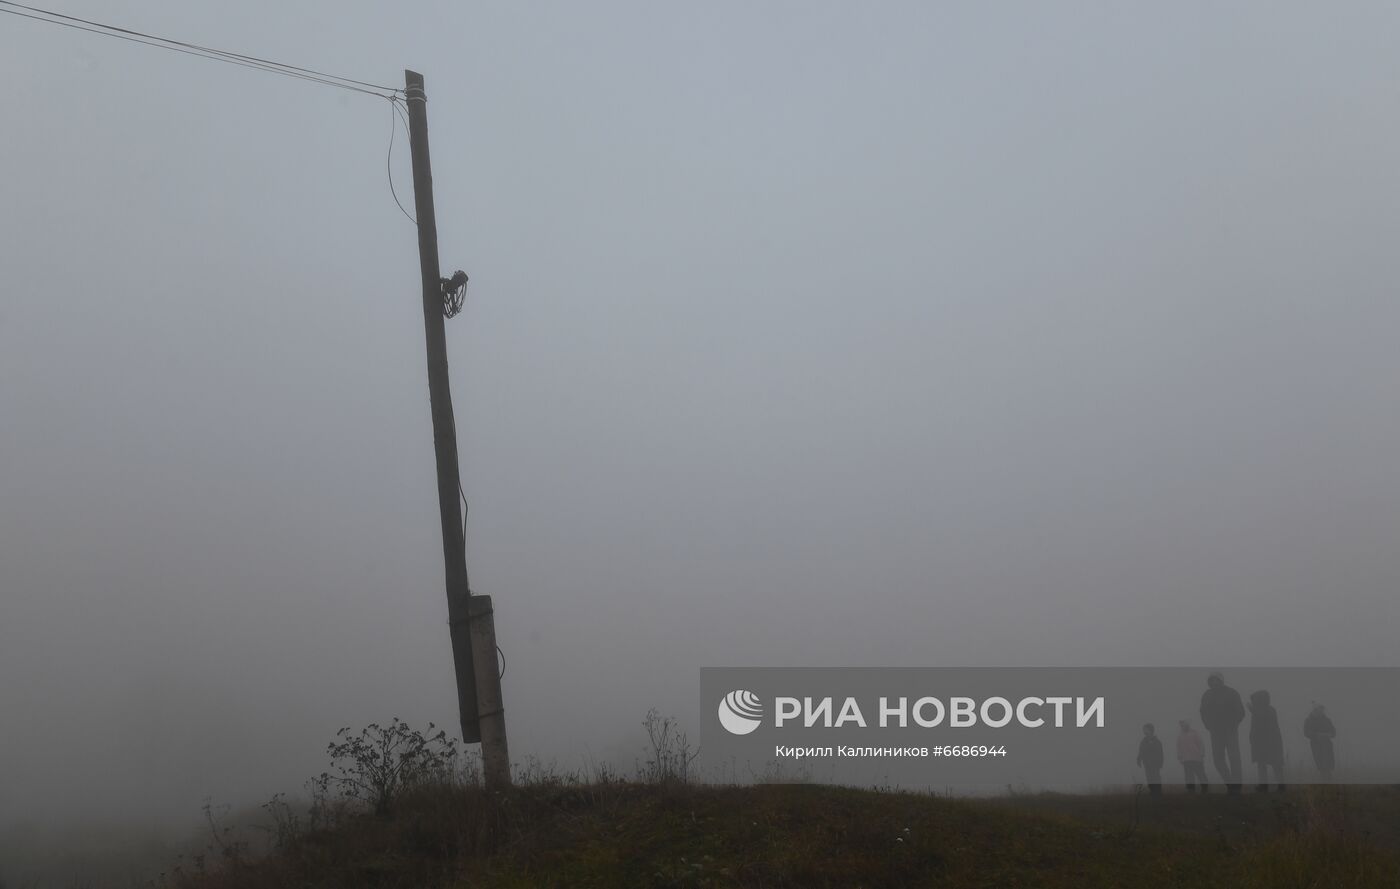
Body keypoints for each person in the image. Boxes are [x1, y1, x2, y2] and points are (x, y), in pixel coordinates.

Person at [1199, 671, 1246, 794]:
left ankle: (1237, 787)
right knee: (1218, 760)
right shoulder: (1207, 695)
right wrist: (1208, 725)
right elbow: (1203, 712)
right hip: (1215, 732)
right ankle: (1230, 784)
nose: (1214, 682)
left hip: (1230, 731)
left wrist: (1233, 724)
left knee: (1234, 758)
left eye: (1216, 680)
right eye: (1211, 680)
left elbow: (1241, 711)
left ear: (1221, 680)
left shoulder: (1232, 693)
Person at [1248, 689, 1285, 792]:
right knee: (1261, 764)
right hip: (1260, 742)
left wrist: (1253, 711)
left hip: (1271, 742)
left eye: (1255, 700)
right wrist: (1251, 737)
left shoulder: (1269, 710)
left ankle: (1281, 786)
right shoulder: (1259, 710)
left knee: (1276, 764)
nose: (1253, 702)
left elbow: (1263, 721)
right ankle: (1263, 786)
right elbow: (1255, 726)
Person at [1303, 704, 1336, 780]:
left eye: (1322, 710)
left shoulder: (1327, 720)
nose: (1321, 711)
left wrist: (1328, 735)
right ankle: (1325, 782)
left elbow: (1334, 732)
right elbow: (1306, 733)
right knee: (1321, 766)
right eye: (1319, 709)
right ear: (1315, 710)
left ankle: (1329, 782)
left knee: (1328, 766)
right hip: (1316, 746)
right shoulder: (1309, 720)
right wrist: (1317, 735)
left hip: (1327, 745)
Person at [1177, 719, 1209, 793]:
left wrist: (1202, 754)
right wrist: (1180, 756)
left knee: (1200, 773)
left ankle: (1205, 788)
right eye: (1181, 725)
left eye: (1183, 724)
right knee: (1188, 775)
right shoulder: (1180, 735)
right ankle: (1191, 790)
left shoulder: (1195, 733)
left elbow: (1201, 744)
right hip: (1186, 759)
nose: (1182, 726)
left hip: (1196, 758)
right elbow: (1179, 747)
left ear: (1187, 725)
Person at [1136, 722, 1164, 796]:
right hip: (1147, 764)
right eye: (1143, 729)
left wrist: (1160, 763)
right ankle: (1152, 791)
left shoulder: (1156, 741)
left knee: (1156, 777)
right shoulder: (1143, 741)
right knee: (1149, 778)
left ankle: (1158, 792)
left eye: (1145, 729)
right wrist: (1139, 759)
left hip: (1155, 764)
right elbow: (1141, 751)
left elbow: (1160, 753)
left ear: (1151, 730)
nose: (1144, 731)